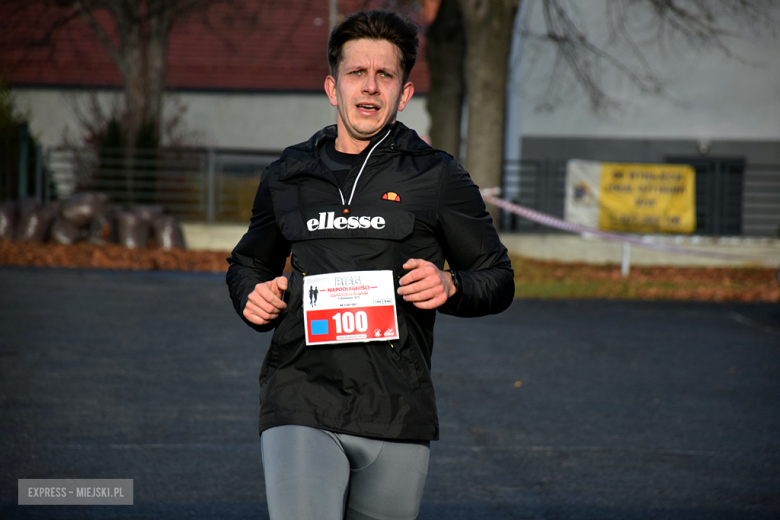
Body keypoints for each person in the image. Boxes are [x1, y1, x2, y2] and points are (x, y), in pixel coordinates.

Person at [226, 9, 514, 520]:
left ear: (403, 94)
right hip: (301, 399)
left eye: (386, 75)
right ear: (332, 87)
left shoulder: (438, 176)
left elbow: (497, 277)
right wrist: (252, 295)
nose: (370, 87)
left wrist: (452, 285)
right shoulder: (288, 174)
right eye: (357, 73)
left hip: (397, 411)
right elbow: (248, 261)